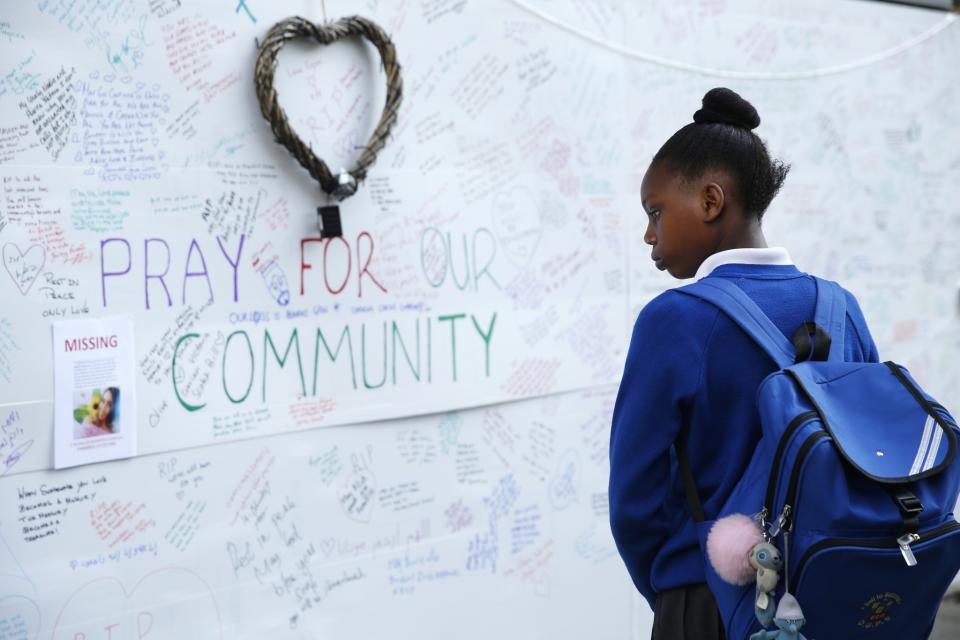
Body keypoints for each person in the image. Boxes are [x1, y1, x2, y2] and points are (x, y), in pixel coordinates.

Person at [608, 87, 879, 639]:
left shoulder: (675, 319)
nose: (648, 233)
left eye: (656, 211)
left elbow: (634, 496)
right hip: (833, 594)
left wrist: (674, 589)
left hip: (711, 602)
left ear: (711, 202)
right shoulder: (840, 306)